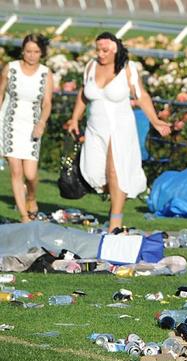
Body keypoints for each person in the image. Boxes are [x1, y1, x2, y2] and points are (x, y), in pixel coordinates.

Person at [66, 32, 171, 232]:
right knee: (96, 174)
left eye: (105, 50)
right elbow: (83, 95)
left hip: (120, 128)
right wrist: (74, 118)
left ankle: (115, 220)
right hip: (95, 129)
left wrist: (155, 120)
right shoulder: (90, 66)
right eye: (97, 50)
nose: (100, 54)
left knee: (116, 172)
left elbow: (141, 96)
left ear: (115, 49)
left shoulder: (127, 68)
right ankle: (116, 200)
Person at [0, 34, 53, 223]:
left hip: (32, 125)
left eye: (36, 52)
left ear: (42, 53)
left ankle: (31, 197)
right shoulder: (10, 68)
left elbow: (47, 103)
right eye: (28, 51)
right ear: (23, 50)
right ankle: (24, 215)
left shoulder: (46, 73)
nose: (31, 55)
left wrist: (41, 123)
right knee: (15, 170)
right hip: (9, 123)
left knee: (30, 174)